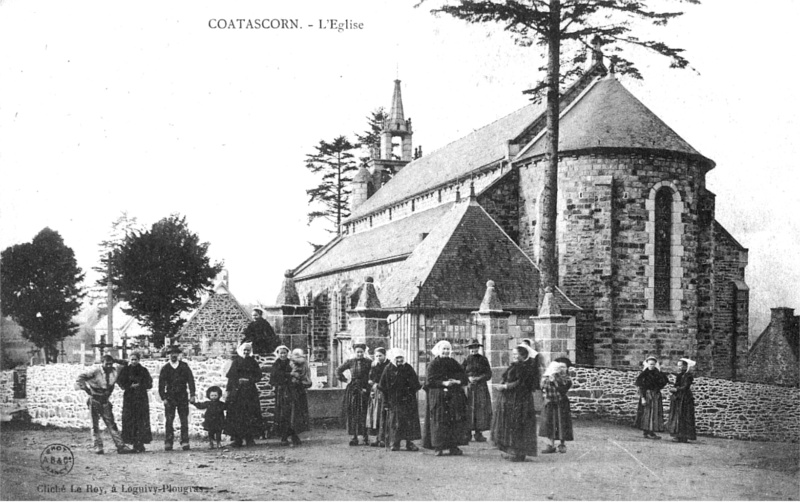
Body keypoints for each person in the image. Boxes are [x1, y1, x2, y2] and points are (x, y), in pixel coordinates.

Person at [74, 355, 134, 454]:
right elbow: (80, 377)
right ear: (102, 363)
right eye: (107, 363)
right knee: (95, 424)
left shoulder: (115, 370)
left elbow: (126, 363)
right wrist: (86, 389)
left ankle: (121, 446)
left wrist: (114, 359)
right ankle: (98, 446)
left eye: (111, 363)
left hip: (105, 400)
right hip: (95, 399)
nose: (109, 365)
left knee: (111, 424)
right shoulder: (95, 371)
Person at [491, 345, 539, 462]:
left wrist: (505, 386)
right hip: (511, 398)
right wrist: (502, 384)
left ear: (523, 355)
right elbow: (507, 377)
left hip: (520, 400)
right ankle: (511, 450)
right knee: (510, 424)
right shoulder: (515, 366)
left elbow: (520, 383)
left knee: (518, 423)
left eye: (516, 354)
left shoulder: (527, 368)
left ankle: (518, 452)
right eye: (513, 354)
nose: (514, 356)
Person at [422, 340, 469, 457]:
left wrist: (457, 381)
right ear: (438, 350)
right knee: (440, 421)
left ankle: (453, 446)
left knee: (454, 420)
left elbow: (464, 377)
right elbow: (429, 382)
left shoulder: (453, 362)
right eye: (444, 349)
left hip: (453, 396)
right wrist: (444, 383)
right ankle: (438, 446)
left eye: (448, 349)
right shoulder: (433, 364)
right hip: (438, 396)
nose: (446, 351)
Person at [378, 348, 422, 452]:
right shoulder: (388, 369)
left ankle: (409, 443)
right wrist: (386, 402)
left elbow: (415, 384)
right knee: (395, 422)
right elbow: (383, 386)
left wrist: (409, 390)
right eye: (397, 358)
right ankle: (395, 442)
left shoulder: (408, 368)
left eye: (401, 357)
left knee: (409, 421)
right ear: (393, 358)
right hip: (394, 400)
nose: (399, 360)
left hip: (408, 399)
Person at [270, 346, 312, 446]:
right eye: (280, 353)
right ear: (277, 354)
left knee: (293, 414)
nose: (283, 355)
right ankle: (284, 437)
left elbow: (299, 373)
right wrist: (288, 375)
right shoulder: (276, 364)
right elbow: (274, 379)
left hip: (293, 391)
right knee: (283, 414)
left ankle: (294, 435)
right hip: (282, 392)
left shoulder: (291, 363)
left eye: (284, 353)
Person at [224, 342, 263, 447]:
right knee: (237, 415)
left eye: (248, 350)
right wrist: (228, 390)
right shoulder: (236, 362)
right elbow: (231, 378)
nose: (246, 352)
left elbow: (258, 376)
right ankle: (237, 439)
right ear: (241, 350)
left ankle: (250, 439)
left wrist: (249, 380)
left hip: (250, 392)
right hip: (237, 392)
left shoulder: (253, 362)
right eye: (244, 350)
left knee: (250, 414)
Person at [158, 345, 196, 451]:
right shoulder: (165, 368)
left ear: (178, 355)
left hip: (182, 396)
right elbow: (161, 385)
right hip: (170, 397)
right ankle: (168, 442)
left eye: (175, 353)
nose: (173, 355)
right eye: (171, 353)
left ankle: (185, 441)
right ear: (168, 355)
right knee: (169, 420)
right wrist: (164, 398)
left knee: (184, 419)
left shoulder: (184, 366)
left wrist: (192, 394)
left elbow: (191, 381)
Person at [117, 351, 153, 453]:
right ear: (129, 360)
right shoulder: (125, 370)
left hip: (141, 398)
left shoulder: (143, 370)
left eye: (135, 359)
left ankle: (140, 443)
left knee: (141, 419)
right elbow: (120, 382)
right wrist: (129, 386)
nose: (133, 361)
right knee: (130, 419)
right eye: (132, 359)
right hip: (130, 398)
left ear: (139, 360)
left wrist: (140, 385)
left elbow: (149, 383)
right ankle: (132, 442)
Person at [337, 343, 372, 446]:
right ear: (354, 352)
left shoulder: (369, 362)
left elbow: (375, 373)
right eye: (358, 352)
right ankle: (354, 437)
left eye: (361, 352)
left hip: (365, 389)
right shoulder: (350, 362)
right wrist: (345, 379)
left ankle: (365, 436)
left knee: (365, 412)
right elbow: (338, 370)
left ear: (364, 352)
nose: (360, 354)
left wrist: (370, 383)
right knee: (353, 413)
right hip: (353, 389)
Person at [539, 360, 574, 454]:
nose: (561, 369)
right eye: (560, 367)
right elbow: (543, 388)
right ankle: (550, 445)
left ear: (567, 369)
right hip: (551, 402)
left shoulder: (567, 380)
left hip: (562, 403)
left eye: (564, 367)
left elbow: (562, 390)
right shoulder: (550, 376)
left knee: (561, 424)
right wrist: (545, 381)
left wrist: (554, 382)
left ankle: (562, 444)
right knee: (550, 423)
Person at [462, 339, 492, 442]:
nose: (473, 349)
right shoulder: (466, 360)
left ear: (478, 348)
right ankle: (467, 433)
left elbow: (489, 374)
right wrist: (468, 378)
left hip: (481, 388)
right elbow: (461, 373)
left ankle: (479, 433)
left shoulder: (483, 359)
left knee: (480, 409)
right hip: (469, 388)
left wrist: (479, 378)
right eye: (471, 348)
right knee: (469, 409)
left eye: (475, 347)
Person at [634, 355, 669, 439]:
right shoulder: (644, 374)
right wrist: (642, 398)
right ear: (647, 364)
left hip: (655, 395)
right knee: (647, 413)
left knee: (654, 413)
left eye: (653, 364)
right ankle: (647, 431)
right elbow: (640, 386)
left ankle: (651, 431)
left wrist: (658, 389)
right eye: (650, 364)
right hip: (647, 395)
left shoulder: (658, 373)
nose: (651, 366)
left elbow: (664, 381)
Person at [667, 358, 697, 443]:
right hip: (679, 397)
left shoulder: (688, 376)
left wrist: (676, 389)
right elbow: (677, 384)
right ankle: (678, 435)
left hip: (685, 398)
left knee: (685, 416)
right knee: (678, 416)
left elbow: (685, 387)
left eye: (681, 366)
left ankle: (684, 436)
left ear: (686, 366)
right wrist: (673, 387)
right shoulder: (680, 375)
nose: (679, 368)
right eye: (678, 366)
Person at [366, 347, 390, 447]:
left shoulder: (389, 365)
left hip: (386, 392)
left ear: (385, 355)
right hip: (376, 392)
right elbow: (370, 379)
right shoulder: (374, 365)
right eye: (376, 356)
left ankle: (385, 438)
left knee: (384, 415)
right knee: (375, 415)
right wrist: (372, 383)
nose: (378, 358)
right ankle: (377, 438)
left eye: (380, 355)